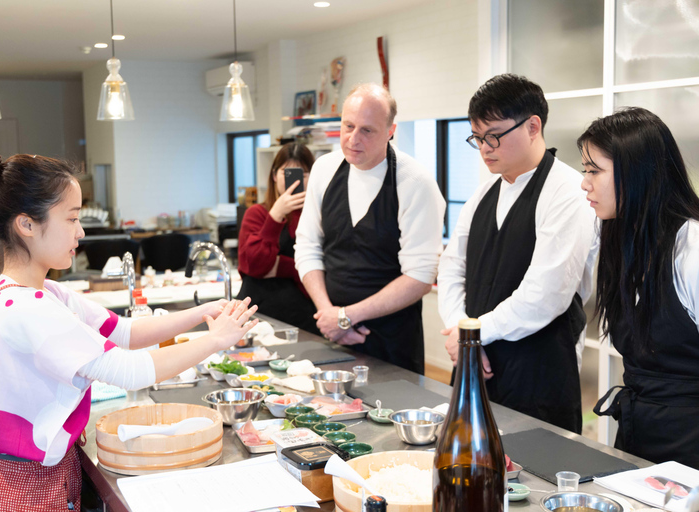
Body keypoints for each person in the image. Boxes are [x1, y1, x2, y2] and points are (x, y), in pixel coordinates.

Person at [0, 145, 258, 511]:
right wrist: (215, 339)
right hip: (22, 493)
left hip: (34, 479)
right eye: (71, 219)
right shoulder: (29, 309)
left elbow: (124, 332)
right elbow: (131, 371)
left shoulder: (42, 293)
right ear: (26, 224)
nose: (81, 232)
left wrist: (202, 312)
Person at [437, 74, 597, 434]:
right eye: (477, 137)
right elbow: (451, 269)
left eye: (493, 135)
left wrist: (473, 335)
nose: (484, 147)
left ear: (532, 126)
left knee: (535, 478)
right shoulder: (482, 194)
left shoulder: (568, 192)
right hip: (474, 359)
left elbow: (546, 295)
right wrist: (465, 335)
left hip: (538, 370)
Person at [295, 83, 445, 374]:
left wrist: (346, 317)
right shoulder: (325, 170)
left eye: (367, 130)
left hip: (390, 339)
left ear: (391, 131)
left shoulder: (415, 183)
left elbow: (421, 275)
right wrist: (329, 315)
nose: (353, 139)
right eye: (348, 126)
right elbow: (307, 246)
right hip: (330, 334)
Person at [581, 107, 699, 469]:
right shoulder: (620, 237)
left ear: (637, 174)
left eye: (593, 171)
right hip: (639, 433)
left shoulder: (691, 245)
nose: (584, 183)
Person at [237, 142, 319, 334]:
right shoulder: (257, 213)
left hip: (305, 316)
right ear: (274, 176)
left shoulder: (318, 215)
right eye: (287, 173)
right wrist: (275, 216)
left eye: (303, 174)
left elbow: (326, 269)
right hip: (259, 317)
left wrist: (282, 266)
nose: (296, 180)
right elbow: (255, 266)